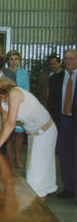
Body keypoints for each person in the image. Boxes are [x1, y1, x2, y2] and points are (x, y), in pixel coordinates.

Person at [0, 77, 57, 200]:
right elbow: (5, 128)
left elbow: (11, 124)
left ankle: (38, 209)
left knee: (37, 178)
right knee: (35, 175)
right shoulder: (3, 103)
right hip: (35, 134)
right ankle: (36, 205)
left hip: (45, 132)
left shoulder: (14, 93)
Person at [48, 48, 77, 199]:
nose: (68, 61)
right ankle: (69, 187)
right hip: (62, 121)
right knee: (65, 156)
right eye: (66, 58)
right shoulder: (56, 79)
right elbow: (51, 103)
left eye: (71, 58)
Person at [5, 50, 30, 168]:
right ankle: (10, 158)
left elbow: (26, 90)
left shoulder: (24, 73)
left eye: (16, 59)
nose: (14, 61)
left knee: (19, 135)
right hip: (7, 106)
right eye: (11, 59)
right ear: (8, 61)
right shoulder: (5, 72)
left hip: (20, 106)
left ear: (19, 60)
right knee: (9, 133)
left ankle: (18, 158)